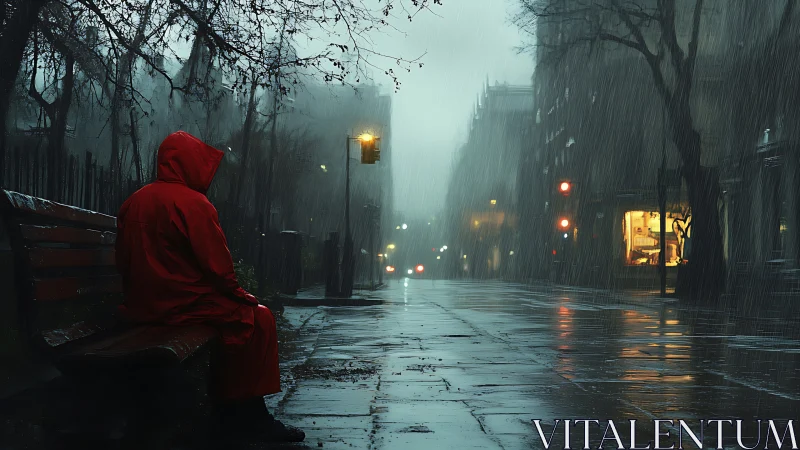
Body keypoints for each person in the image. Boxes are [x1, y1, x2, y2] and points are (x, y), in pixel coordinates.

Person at [114, 131, 305, 443]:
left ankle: (232, 410)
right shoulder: (194, 204)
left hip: (144, 304)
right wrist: (241, 295)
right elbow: (219, 270)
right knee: (259, 318)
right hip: (184, 305)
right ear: (188, 163)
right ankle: (246, 414)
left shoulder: (134, 201)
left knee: (246, 319)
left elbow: (123, 262)